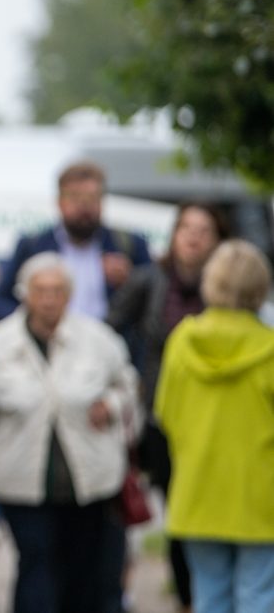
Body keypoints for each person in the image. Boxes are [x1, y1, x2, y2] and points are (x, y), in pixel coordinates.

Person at [0, 252, 140, 613]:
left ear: (70, 293)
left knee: (85, 572)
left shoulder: (98, 338)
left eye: (58, 290)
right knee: (36, 566)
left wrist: (109, 404)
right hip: (20, 480)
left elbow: (128, 388)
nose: (48, 298)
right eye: (40, 290)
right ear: (24, 293)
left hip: (90, 481)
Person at [107, 202, 228, 612]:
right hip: (164, 415)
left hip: (220, 419)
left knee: (216, 507)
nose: (193, 236)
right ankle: (189, 597)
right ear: (173, 234)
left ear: (217, 239)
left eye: (204, 229)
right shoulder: (150, 280)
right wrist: (124, 383)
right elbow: (110, 329)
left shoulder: (232, 286)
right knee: (179, 507)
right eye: (186, 227)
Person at [154, 239, 274, 613]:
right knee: (259, 595)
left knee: (208, 596)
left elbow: (165, 413)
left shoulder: (181, 341)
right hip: (261, 494)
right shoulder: (268, 347)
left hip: (198, 489)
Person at [0, 161, 151, 323]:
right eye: (75, 197)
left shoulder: (128, 245)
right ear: (59, 202)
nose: (84, 206)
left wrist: (130, 280)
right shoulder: (33, 246)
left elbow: (153, 303)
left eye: (92, 198)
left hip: (108, 344)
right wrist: (34, 317)